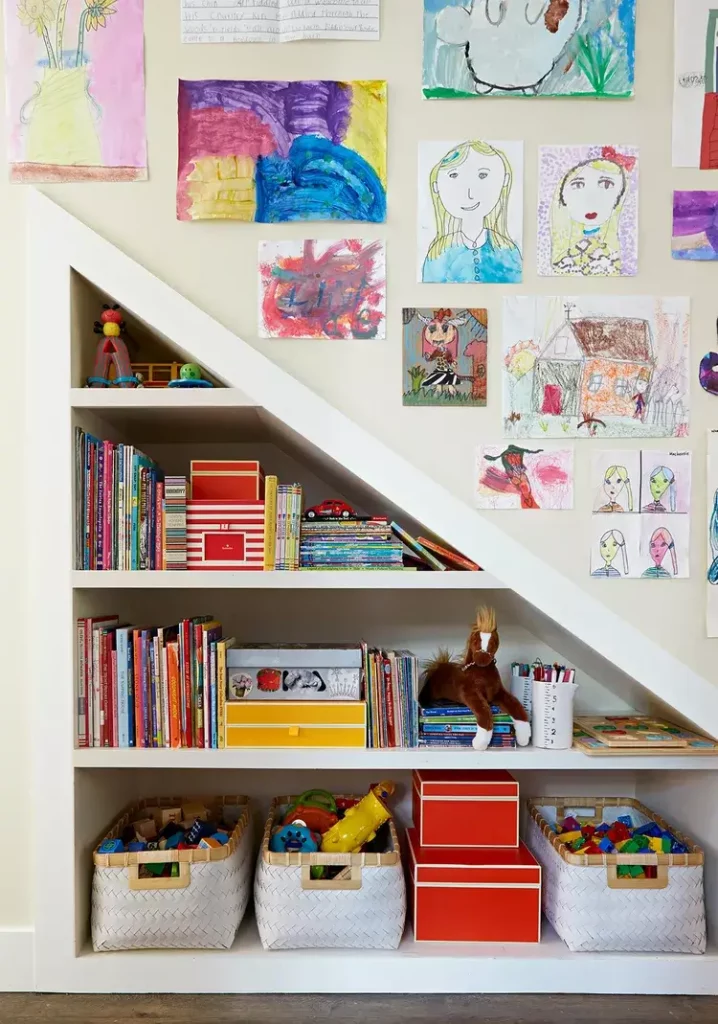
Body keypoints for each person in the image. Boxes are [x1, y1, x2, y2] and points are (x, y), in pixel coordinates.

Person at [422, 141, 522, 284]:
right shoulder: (438, 254)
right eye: (453, 175)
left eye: (482, 175)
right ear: (436, 186)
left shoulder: (507, 251)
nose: (469, 194)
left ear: (504, 180)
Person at [550, 147, 635, 276]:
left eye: (606, 184)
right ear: (562, 196)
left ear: (620, 195)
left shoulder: (615, 255)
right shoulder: (564, 256)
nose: (590, 198)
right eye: (578, 185)